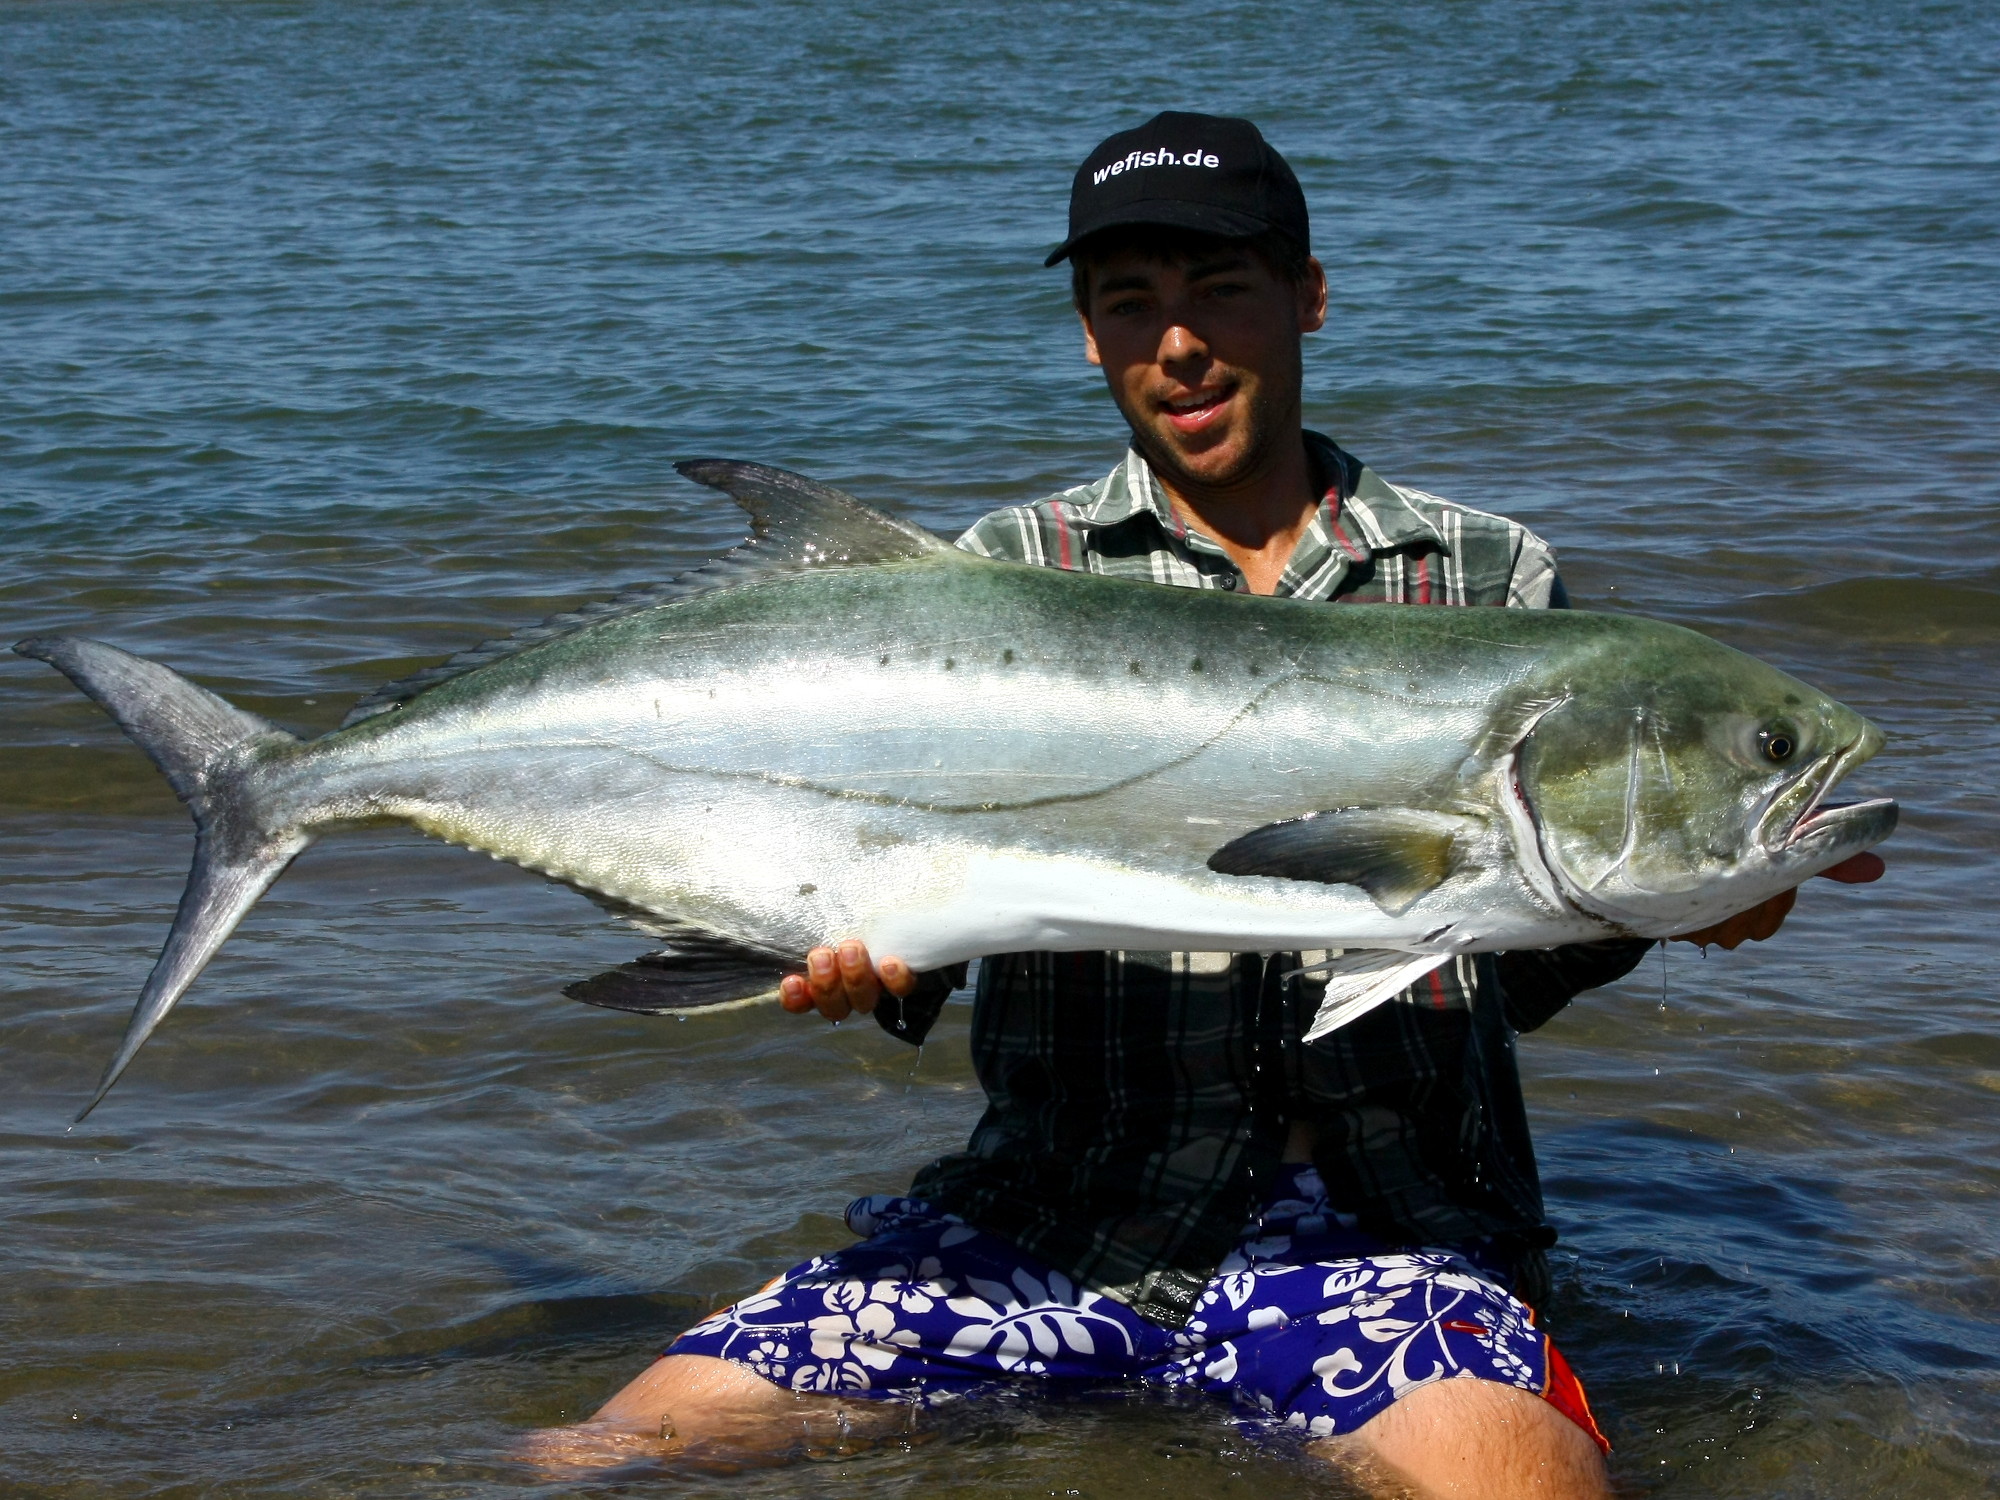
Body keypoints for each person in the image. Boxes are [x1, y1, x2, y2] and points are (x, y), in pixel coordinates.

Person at [526, 113, 1884, 1497]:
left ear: (1308, 295)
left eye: (1220, 288)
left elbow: (1512, 949)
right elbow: (929, 898)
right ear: (1088, 335)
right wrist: (853, 970)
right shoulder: (1001, 574)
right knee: (603, 1454)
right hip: (1050, 1221)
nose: (1176, 342)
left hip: (1383, 1238)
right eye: (1132, 304)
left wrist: (1684, 907)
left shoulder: (1485, 577)